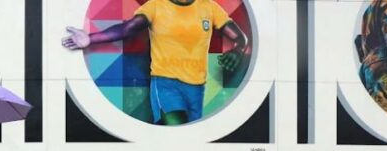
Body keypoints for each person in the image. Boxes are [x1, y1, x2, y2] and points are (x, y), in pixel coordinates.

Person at [62, 0, 249, 125]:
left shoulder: (209, 7)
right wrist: (90, 39)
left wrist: (237, 51)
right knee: (177, 131)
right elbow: (128, 28)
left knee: (190, 138)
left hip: (197, 88)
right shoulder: (156, 6)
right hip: (165, 84)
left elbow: (240, 38)